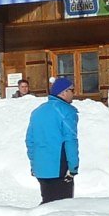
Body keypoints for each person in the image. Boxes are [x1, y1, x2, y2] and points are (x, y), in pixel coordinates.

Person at [25, 75, 80, 203]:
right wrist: (73, 167)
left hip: (41, 167)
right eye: (72, 90)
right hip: (60, 167)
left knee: (47, 202)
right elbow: (70, 140)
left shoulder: (37, 112)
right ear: (63, 92)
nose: (74, 93)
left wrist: (34, 164)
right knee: (62, 207)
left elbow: (30, 141)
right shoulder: (67, 111)